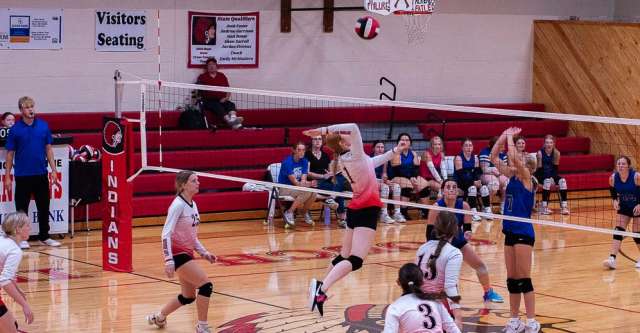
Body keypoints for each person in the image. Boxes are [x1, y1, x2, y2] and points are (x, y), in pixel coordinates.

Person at [303, 123, 405, 316]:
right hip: (367, 208)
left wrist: (394, 151)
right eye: (342, 135)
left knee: (344, 256)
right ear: (342, 141)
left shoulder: (345, 159)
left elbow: (374, 161)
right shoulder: (355, 155)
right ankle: (321, 290)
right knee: (356, 260)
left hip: (356, 207)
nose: (347, 135)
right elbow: (354, 128)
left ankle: (320, 288)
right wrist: (323, 130)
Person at [146, 171, 216, 333]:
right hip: (177, 254)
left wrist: (203, 252)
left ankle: (159, 317)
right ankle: (202, 326)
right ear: (183, 185)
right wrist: (168, 260)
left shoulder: (193, 204)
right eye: (193, 181)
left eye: (197, 180)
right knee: (206, 286)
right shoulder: (177, 205)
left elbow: (191, 235)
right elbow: (165, 233)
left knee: (188, 296)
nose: (198, 183)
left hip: (187, 253)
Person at [490, 127, 540, 333]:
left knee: (524, 277)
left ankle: (531, 321)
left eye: (522, 157)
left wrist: (510, 136)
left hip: (523, 232)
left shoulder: (528, 178)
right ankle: (514, 320)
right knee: (511, 279)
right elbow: (493, 156)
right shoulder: (511, 177)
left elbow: (511, 155)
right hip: (509, 230)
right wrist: (502, 134)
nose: (517, 157)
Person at [426, 179, 504, 304]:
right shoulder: (436, 208)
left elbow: (467, 228)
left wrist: (468, 233)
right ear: (442, 191)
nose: (451, 189)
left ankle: (488, 292)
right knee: (439, 272)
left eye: (454, 187)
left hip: (457, 240)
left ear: (457, 191)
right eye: (448, 187)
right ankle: (433, 293)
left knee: (481, 266)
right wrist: (433, 252)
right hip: (439, 243)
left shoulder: (464, 206)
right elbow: (429, 233)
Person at [3, 96, 61, 249]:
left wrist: (54, 170)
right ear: (21, 110)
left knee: (44, 206)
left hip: (41, 174)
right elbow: (10, 154)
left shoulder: (43, 126)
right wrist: (7, 176)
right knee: (22, 209)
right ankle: (21, 239)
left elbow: (48, 149)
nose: (31, 110)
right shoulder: (15, 130)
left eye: (32, 106)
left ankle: (44, 236)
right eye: (27, 107)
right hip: (23, 175)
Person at [416, 211, 463, 329]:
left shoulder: (423, 248)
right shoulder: (454, 253)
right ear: (456, 229)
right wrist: (458, 318)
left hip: (415, 303)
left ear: (435, 228)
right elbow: (450, 286)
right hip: (436, 307)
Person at [383, 263, 461, 333]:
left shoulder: (395, 307)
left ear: (398, 282)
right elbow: (453, 329)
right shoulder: (435, 301)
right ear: (422, 281)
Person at [602, 156, 640, 269]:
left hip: (637, 206)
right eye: (618, 164)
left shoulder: (636, 176)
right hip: (624, 206)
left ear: (628, 166)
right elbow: (612, 189)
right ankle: (612, 258)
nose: (620, 166)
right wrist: (614, 200)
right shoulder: (613, 178)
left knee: (636, 232)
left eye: (623, 164)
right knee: (618, 230)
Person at [0, 212, 34, 333]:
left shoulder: (3, 241)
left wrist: (18, 289)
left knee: (11, 325)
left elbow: (6, 274)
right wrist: (25, 305)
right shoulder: (14, 250)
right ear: (18, 229)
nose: (30, 228)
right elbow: (4, 281)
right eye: (27, 225)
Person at [306, 136, 346, 225]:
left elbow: (329, 171)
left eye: (319, 139)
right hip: (315, 182)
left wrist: (331, 173)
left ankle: (331, 198)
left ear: (322, 142)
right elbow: (307, 172)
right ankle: (342, 218)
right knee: (339, 190)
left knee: (340, 178)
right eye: (315, 139)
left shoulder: (325, 155)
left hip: (326, 181)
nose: (317, 141)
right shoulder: (307, 154)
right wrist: (322, 176)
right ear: (311, 141)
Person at [196, 57, 243, 129]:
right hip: (209, 101)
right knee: (217, 106)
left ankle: (233, 120)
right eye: (209, 65)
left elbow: (228, 89)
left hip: (222, 99)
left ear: (216, 66)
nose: (211, 66)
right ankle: (230, 122)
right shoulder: (202, 77)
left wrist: (226, 98)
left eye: (213, 64)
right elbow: (198, 90)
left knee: (230, 104)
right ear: (207, 67)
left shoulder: (222, 76)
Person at [278, 142, 317, 227]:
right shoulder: (287, 162)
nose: (302, 152)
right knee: (306, 192)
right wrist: (308, 184)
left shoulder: (305, 161)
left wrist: (309, 184)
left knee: (314, 193)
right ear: (294, 150)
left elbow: (302, 180)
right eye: (299, 150)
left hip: (297, 188)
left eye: (303, 150)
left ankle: (303, 211)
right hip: (284, 188)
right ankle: (289, 212)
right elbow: (295, 182)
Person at [453, 138, 488, 222]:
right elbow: (461, 176)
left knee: (484, 188)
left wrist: (478, 181)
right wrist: (473, 182)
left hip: (471, 182)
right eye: (466, 145)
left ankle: (487, 210)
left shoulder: (475, 158)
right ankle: (473, 212)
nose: (469, 148)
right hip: (460, 182)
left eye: (470, 145)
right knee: (473, 188)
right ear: (462, 147)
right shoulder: (458, 158)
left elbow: (476, 174)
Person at [535, 135, 570, 215]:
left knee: (562, 181)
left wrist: (552, 178)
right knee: (547, 181)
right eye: (547, 142)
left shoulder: (556, 153)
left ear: (553, 144)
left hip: (552, 174)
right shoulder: (540, 153)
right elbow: (539, 170)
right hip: (540, 174)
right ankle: (544, 207)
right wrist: (548, 178)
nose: (549, 144)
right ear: (544, 144)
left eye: (551, 142)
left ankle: (564, 207)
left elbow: (555, 169)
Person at [372, 140, 404, 224]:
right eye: (378, 147)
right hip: (370, 182)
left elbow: (385, 174)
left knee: (396, 186)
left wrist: (386, 180)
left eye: (382, 147)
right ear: (373, 149)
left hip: (380, 182)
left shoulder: (385, 160)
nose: (380, 149)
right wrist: (382, 182)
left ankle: (397, 213)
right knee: (385, 187)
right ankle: (383, 214)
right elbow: (368, 176)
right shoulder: (369, 159)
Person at [390, 133, 421, 220]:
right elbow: (397, 169)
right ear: (398, 142)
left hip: (408, 177)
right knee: (408, 185)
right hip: (396, 177)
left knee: (422, 185)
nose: (405, 141)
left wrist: (414, 177)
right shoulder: (395, 152)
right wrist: (410, 178)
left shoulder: (413, 153)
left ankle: (424, 211)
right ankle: (402, 212)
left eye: (407, 140)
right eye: (402, 140)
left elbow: (416, 168)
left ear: (410, 142)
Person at [479, 136, 509, 216]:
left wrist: (499, 171)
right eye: (502, 145)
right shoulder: (485, 153)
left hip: (498, 174)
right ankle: (486, 207)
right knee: (494, 184)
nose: (504, 147)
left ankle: (503, 206)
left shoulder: (503, 155)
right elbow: (484, 169)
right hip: (485, 175)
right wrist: (493, 170)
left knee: (506, 183)